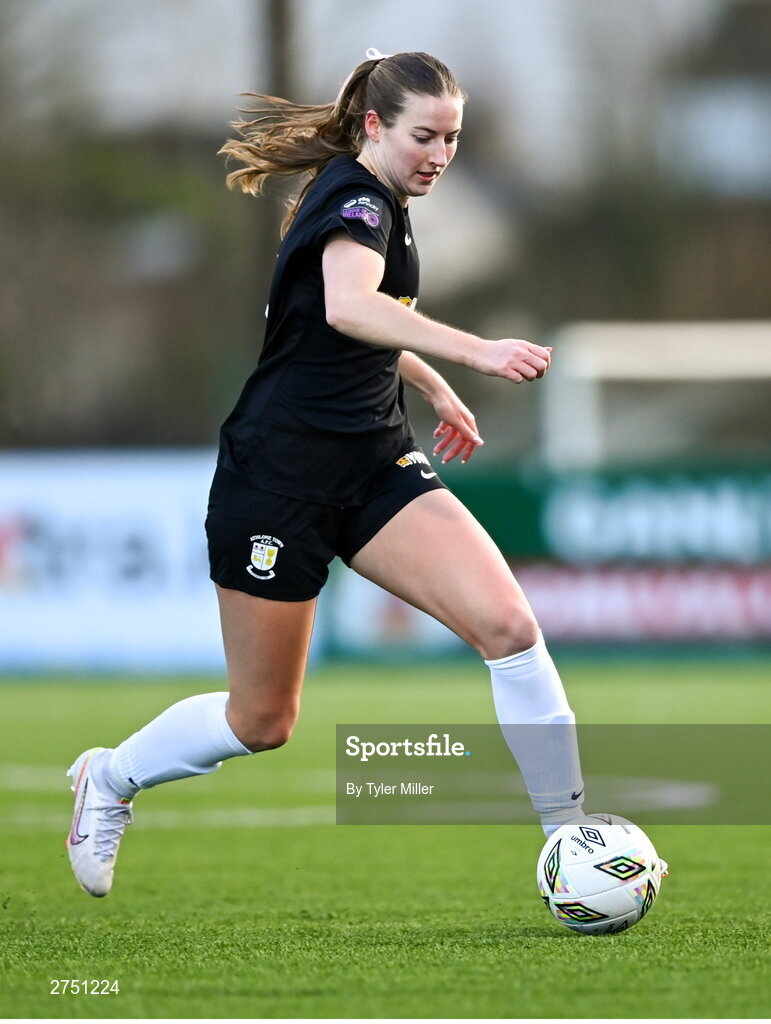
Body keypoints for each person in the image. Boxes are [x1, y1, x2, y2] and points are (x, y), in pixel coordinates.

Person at [66, 49, 585, 898]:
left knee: (509, 628)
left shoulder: (379, 198)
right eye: (425, 136)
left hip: (376, 466)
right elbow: (348, 305)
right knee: (262, 721)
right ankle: (111, 780)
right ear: (375, 127)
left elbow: (338, 324)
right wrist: (475, 350)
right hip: (279, 478)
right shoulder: (355, 198)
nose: (440, 156)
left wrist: (428, 382)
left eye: (453, 139)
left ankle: (572, 837)